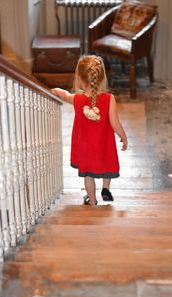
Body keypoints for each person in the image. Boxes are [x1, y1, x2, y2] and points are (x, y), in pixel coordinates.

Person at [52, 55, 127, 206]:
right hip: (104, 145)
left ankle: (92, 201)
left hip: (85, 148)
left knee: (88, 176)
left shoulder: (77, 99)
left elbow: (66, 96)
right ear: (101, 77)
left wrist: (58, 91)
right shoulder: (109, 98)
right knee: (108, 165)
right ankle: (106, 188)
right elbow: (115, 123)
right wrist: (123, 137)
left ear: (79, 78)